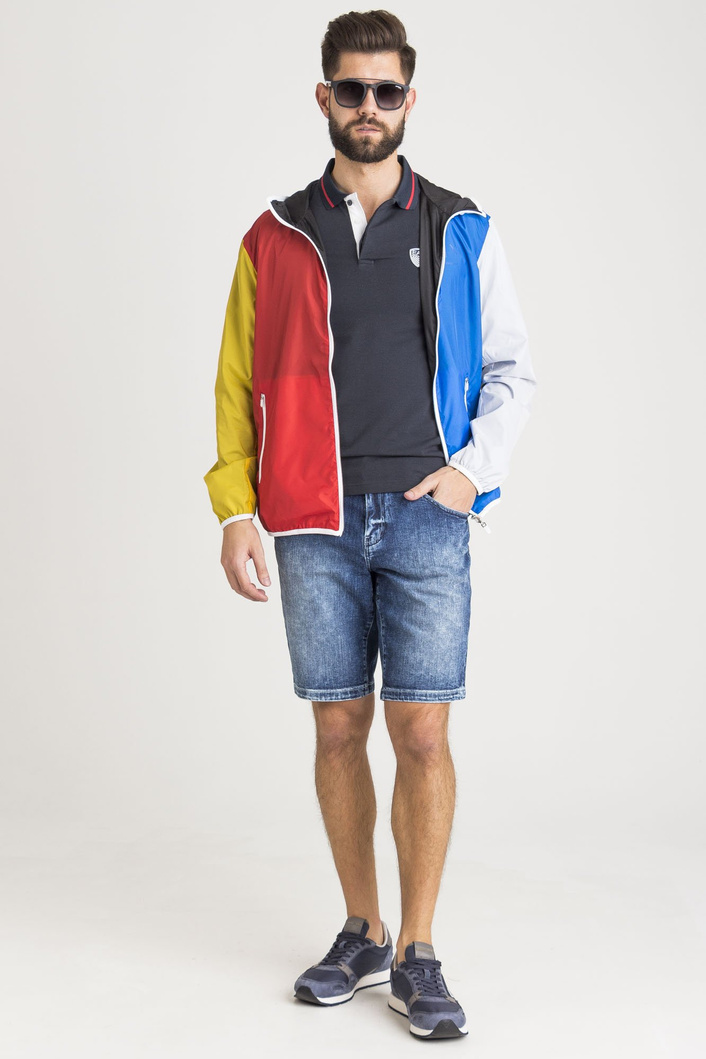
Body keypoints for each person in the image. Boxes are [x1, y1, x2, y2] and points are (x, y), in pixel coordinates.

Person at [203, 9, 537, 1041]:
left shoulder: (459, 227)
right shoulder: (274, 235)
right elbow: (236, 380)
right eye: (350, 88)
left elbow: (511, 369)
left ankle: (419, 951)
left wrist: (472, 474)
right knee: (337, 726)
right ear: (324, 97)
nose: (368, 106)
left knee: (422, 731)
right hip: (312, 520)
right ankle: (363, 929)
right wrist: (235, 506)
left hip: (428, 516)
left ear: (408, 100)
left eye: (385, 90)